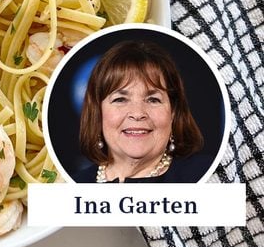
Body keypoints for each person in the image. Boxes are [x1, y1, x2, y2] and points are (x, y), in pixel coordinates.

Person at [73, 40, 210, 183]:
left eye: (153, 100)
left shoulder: (207, 175)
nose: (137, 114)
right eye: (120, 99)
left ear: (173, 112)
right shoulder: (71, 186)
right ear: (98, 112)